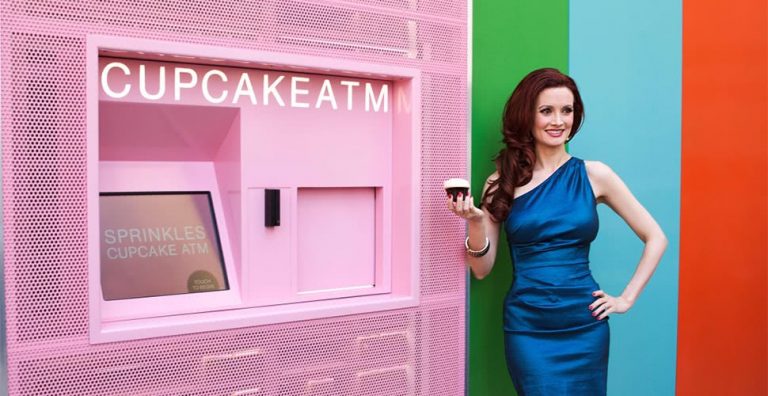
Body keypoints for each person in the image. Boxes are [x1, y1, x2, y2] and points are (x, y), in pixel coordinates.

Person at [447, 68, 667, 395]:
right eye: (546, 110)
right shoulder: (501, 181)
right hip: (528, 329)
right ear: (528, 116)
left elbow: (656, 237)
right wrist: (476, 221)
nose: (558, 120)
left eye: (567, 110)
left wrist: (625, 299)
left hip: (585, 326)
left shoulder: (595, 175)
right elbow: (481, 269)